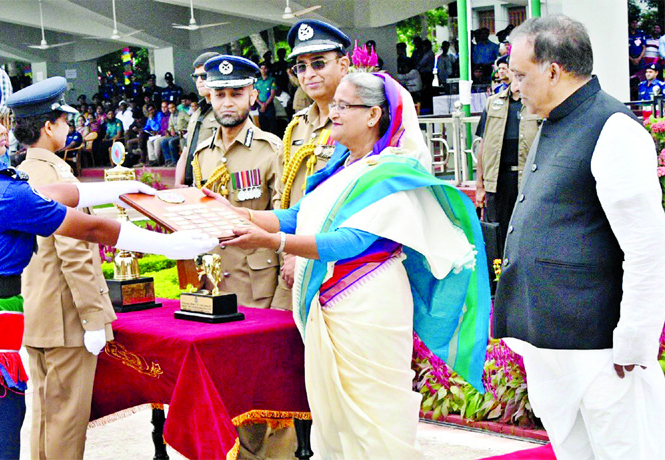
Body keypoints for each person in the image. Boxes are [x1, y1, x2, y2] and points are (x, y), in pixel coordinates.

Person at [0, 72, 218, 460]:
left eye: (1, 120)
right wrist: (171, 244)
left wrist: (120, 188)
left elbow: (43, 192)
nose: (2, 131)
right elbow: (92, 227)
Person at [213, 72, 490, 458]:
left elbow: (351, 242)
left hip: (369, 301)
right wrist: (241, 215)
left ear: (374, 114)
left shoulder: (391, 172)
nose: (333, 112)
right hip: (334, 301)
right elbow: (300, 215)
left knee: (374, 417)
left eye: (344, 106)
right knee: (335, 418)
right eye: (335, 105)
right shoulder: (346, 164)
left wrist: (270, 242)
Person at [494, 16, 665, 460]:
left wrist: (635, 339)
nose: (514, 86)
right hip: (554, 340)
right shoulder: (555, 121)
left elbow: (646, 246)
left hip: (604, 348)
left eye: (520, 74)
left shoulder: (613, 128)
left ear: (553, 70)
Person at [7, 77, 116, 460]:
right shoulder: (57, 175)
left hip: (36, 312)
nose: (69, 128)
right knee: (66, 422)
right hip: (66, 317)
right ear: (49, 127)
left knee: (44, 416)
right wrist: (93, 318)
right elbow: (77, 253)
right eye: (64, 121)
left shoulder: (17, 174)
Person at [192, 54, 287, 460]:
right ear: (209, 97)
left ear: (253, 95)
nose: (227, 101)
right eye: (219, 94)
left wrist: (285, 296)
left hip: (263, 289)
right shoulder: (202, 154)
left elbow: (285, 221)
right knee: (231, 391)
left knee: (273, 393)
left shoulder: (272, 150)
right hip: (218, 291)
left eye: (236, 93)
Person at [276, 19, 351, 310]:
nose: (309, 74)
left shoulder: (361, 124)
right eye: (301, 67)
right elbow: (284, 195)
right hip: (294, 260)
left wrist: (301, 253)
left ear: (343, 66)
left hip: (339, 263)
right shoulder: (296, 128)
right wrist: (288, 251)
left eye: (319, 63)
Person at [475, 55, 541, 256]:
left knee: (526, 231)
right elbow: (483, 146)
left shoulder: (535, 104)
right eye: (511, 71)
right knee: (497, 233)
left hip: (527, 179)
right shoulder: (493, 103)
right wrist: (480, 186)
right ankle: (498, 279)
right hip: (497, 180)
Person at [175, 51, 220, 187]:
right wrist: (178, 183)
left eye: (204, 76)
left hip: (213, 184)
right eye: (196, 76)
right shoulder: (196, 113)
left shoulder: (226, 112)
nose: (199, 80)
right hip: (192, 184)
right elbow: (186, 150)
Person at [160, 101, 188, 166]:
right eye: (169, 108)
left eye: (172, 107)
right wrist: (171, 129)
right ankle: (168, 160)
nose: (171, 109)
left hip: (182, 134)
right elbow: (170, 125)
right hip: (175, 134)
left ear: (175, 107)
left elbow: (190, 121)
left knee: (171, 142)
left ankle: (175, 161)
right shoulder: (171, 115)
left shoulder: (182, 114)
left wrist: (185, 130)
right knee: (163, 142)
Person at [255, 62, 278, 135]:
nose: (263, 70)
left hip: (269, 105)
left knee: (273, 126)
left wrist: (265, 104)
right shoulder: (257, 81)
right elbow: (255, 94)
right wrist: (260, 104)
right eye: (262, 68)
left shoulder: (272, 80)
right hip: (260, 105)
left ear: (267, 69)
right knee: (263, 126)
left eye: (265, 68)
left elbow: (272, 93)